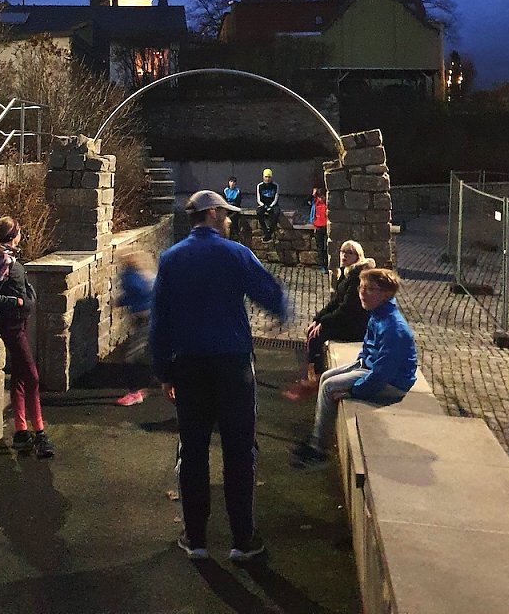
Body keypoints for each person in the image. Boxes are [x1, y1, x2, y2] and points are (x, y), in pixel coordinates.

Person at [150, 190, 288, 562]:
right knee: (239, 451)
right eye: (225, 215)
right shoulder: (236, 253)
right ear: (212, 213)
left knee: (193, 450)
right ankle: (242, 540)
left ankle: (195, 539)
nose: (228, 221)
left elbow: (159, 320)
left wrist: (164, 372)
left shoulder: (170, 259)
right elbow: (273, 297)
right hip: (233, 366)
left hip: (189, 367)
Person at [291, 267, 417, 468]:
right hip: (370, 367)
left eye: (370, 289)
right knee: (326, 377)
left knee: (329, 386)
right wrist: (357, 365)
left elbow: (381, 375)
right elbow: (368, 349)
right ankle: (317, 435)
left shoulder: (393, 328)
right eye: (361, 287)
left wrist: (353, 391)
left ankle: (318, 447)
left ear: (386, 294)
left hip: (393, 384)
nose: (362, 293)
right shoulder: (377, 314)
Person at [0, 215, 54, 459]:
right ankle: (39, 432)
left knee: (21, 377)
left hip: (18, 323)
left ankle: (22, 431)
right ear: (14, 235)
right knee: (32, 376)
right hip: (12, 325)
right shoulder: (4, 260)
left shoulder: (9, 257)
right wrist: (18, 302)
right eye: (20, 232)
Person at [282, 240, 373, 400]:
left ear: (358, 257)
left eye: (349, 253)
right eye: (343, 252)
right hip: (346, 320)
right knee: (312, 331)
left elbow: (346, 309)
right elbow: (335, 302)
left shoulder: (356, 278)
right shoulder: (346, 274)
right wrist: (318, 319)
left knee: (317, 336)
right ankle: (312, 375)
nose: (344, 255)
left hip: (354, 326)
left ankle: (315, 379)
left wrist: (324, 323)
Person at [115, 251, 155, 406]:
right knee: (152, 354)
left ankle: (135, 392)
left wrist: (121, 301)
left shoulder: (132, 277)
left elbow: (136, 291)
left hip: (145, 319)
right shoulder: (148, 276)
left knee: (131, 357)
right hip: (149, 318)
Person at [256, 168, 279, 241]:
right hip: (263, 204)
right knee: (259, 213)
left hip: (273, 204)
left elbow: (276, 197)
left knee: (276, 213)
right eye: (266, 177)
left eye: (269, 177)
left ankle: (270, 232)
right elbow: (258, 199)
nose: (267, 179)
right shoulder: (259, 186)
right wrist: (264, 206)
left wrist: (271, 206)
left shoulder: (275, 185)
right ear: (263, 177)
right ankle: (266, 232)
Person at [309, 187, 328, 271]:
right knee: (320, 248)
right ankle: (322, 265)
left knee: (326, 247)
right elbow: (308, 200)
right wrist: (313, 194)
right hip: (318, 228)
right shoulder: (315, 203)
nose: (321, 198)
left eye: (322, 197)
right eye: (319, 197)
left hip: (326, 227)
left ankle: (326, 264)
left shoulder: (327, 204)